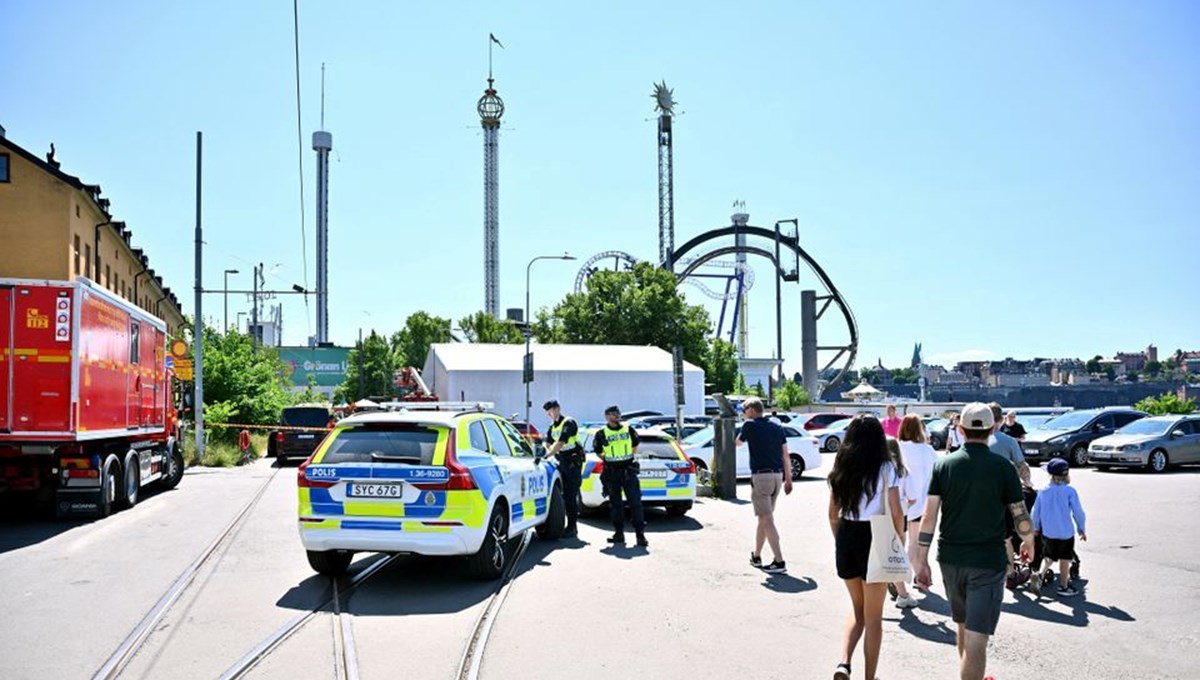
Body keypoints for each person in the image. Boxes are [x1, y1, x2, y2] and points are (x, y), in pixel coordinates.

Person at [914, 403, 1034, 680]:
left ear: (960, 429)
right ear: (993, 428)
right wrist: (1029, 541)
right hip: (988, 562)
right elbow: (1020, 514)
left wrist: (921, 560)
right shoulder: (1003, 467)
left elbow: (929, 517)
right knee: (977, 639)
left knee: (962, 625)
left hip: (950, 559)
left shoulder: (943, 464)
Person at [828, 416, 903, 680]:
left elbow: (832, 514)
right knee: (874, 618)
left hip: (847, 534)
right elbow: (896, 513)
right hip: (876, 536)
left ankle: (843, 663)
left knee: (857, 610)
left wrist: (841, 540)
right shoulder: (886, 467)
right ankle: (869, 677)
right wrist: (898, 542)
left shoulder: (841, 465)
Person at [737, 397, 792, 574]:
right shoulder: (777, 427)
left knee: (767, 519)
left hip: (761, 477)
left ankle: (779, 560)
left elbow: (737, 443)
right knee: (764, 518)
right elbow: (785, 455)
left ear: (751, 410)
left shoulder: (750, 425)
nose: (744, 414)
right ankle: (757, 555)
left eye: (744, 410)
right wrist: (789, 479)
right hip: (777, 476)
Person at [1030, 458, 1087, 597]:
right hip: (1065, 532)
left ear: (1050, 475)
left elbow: (1035, 512)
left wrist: (1036, 527)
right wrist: (1081, 528)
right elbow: (1078, 512)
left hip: (1048, 532)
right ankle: (1063, 586)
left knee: (1049, 557)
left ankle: (1040, 575)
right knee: (1065, 560)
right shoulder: (1069, 491)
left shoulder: (1043, 491)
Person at [592, 405, 648, 547]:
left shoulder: (628, 429)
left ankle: (640, 535)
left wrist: (627, 457)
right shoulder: (601, 433)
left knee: (635, 503)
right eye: (614, 414)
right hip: (612, 472)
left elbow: (635, 444)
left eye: (618, 413)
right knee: (616, 505)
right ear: (607, 416)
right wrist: (608, 458)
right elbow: (598, 450)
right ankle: (619, 534)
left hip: (628, 469)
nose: (617, 416)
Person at [897, 414, 937, 606]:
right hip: (921, 503)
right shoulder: (928, 451)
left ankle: (913, 577)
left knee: (899, 543)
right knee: (914, 544)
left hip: (897, 504)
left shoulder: (896, 448)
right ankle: (899, 576)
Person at [884, 437, 918, 609]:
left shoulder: (878, 469)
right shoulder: (903, 471)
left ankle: (896, 585)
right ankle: (902, 594)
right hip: (900, 515)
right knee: (896, 555)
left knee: (888, 554)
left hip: (881, 516)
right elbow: (913, 497)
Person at [543, 399, 584, 538]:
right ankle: (565, 525)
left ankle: (572, 527)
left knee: (570, 496)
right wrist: (551, 451)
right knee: (563, 496)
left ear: (558, 408)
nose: (550, 414)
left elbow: (560, 442)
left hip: (573, 463)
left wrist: (549, 454)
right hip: (562, 462)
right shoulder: (552, 427)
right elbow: (548, 442)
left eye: (552, 411)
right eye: (548, 412)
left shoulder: (568, 422)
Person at [987, 403, 1032, 488]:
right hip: (1002, 488)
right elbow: (1021, 466)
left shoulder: (973, 439)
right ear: (1002, 420)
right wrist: (1028, 483)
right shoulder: (1010, 441)